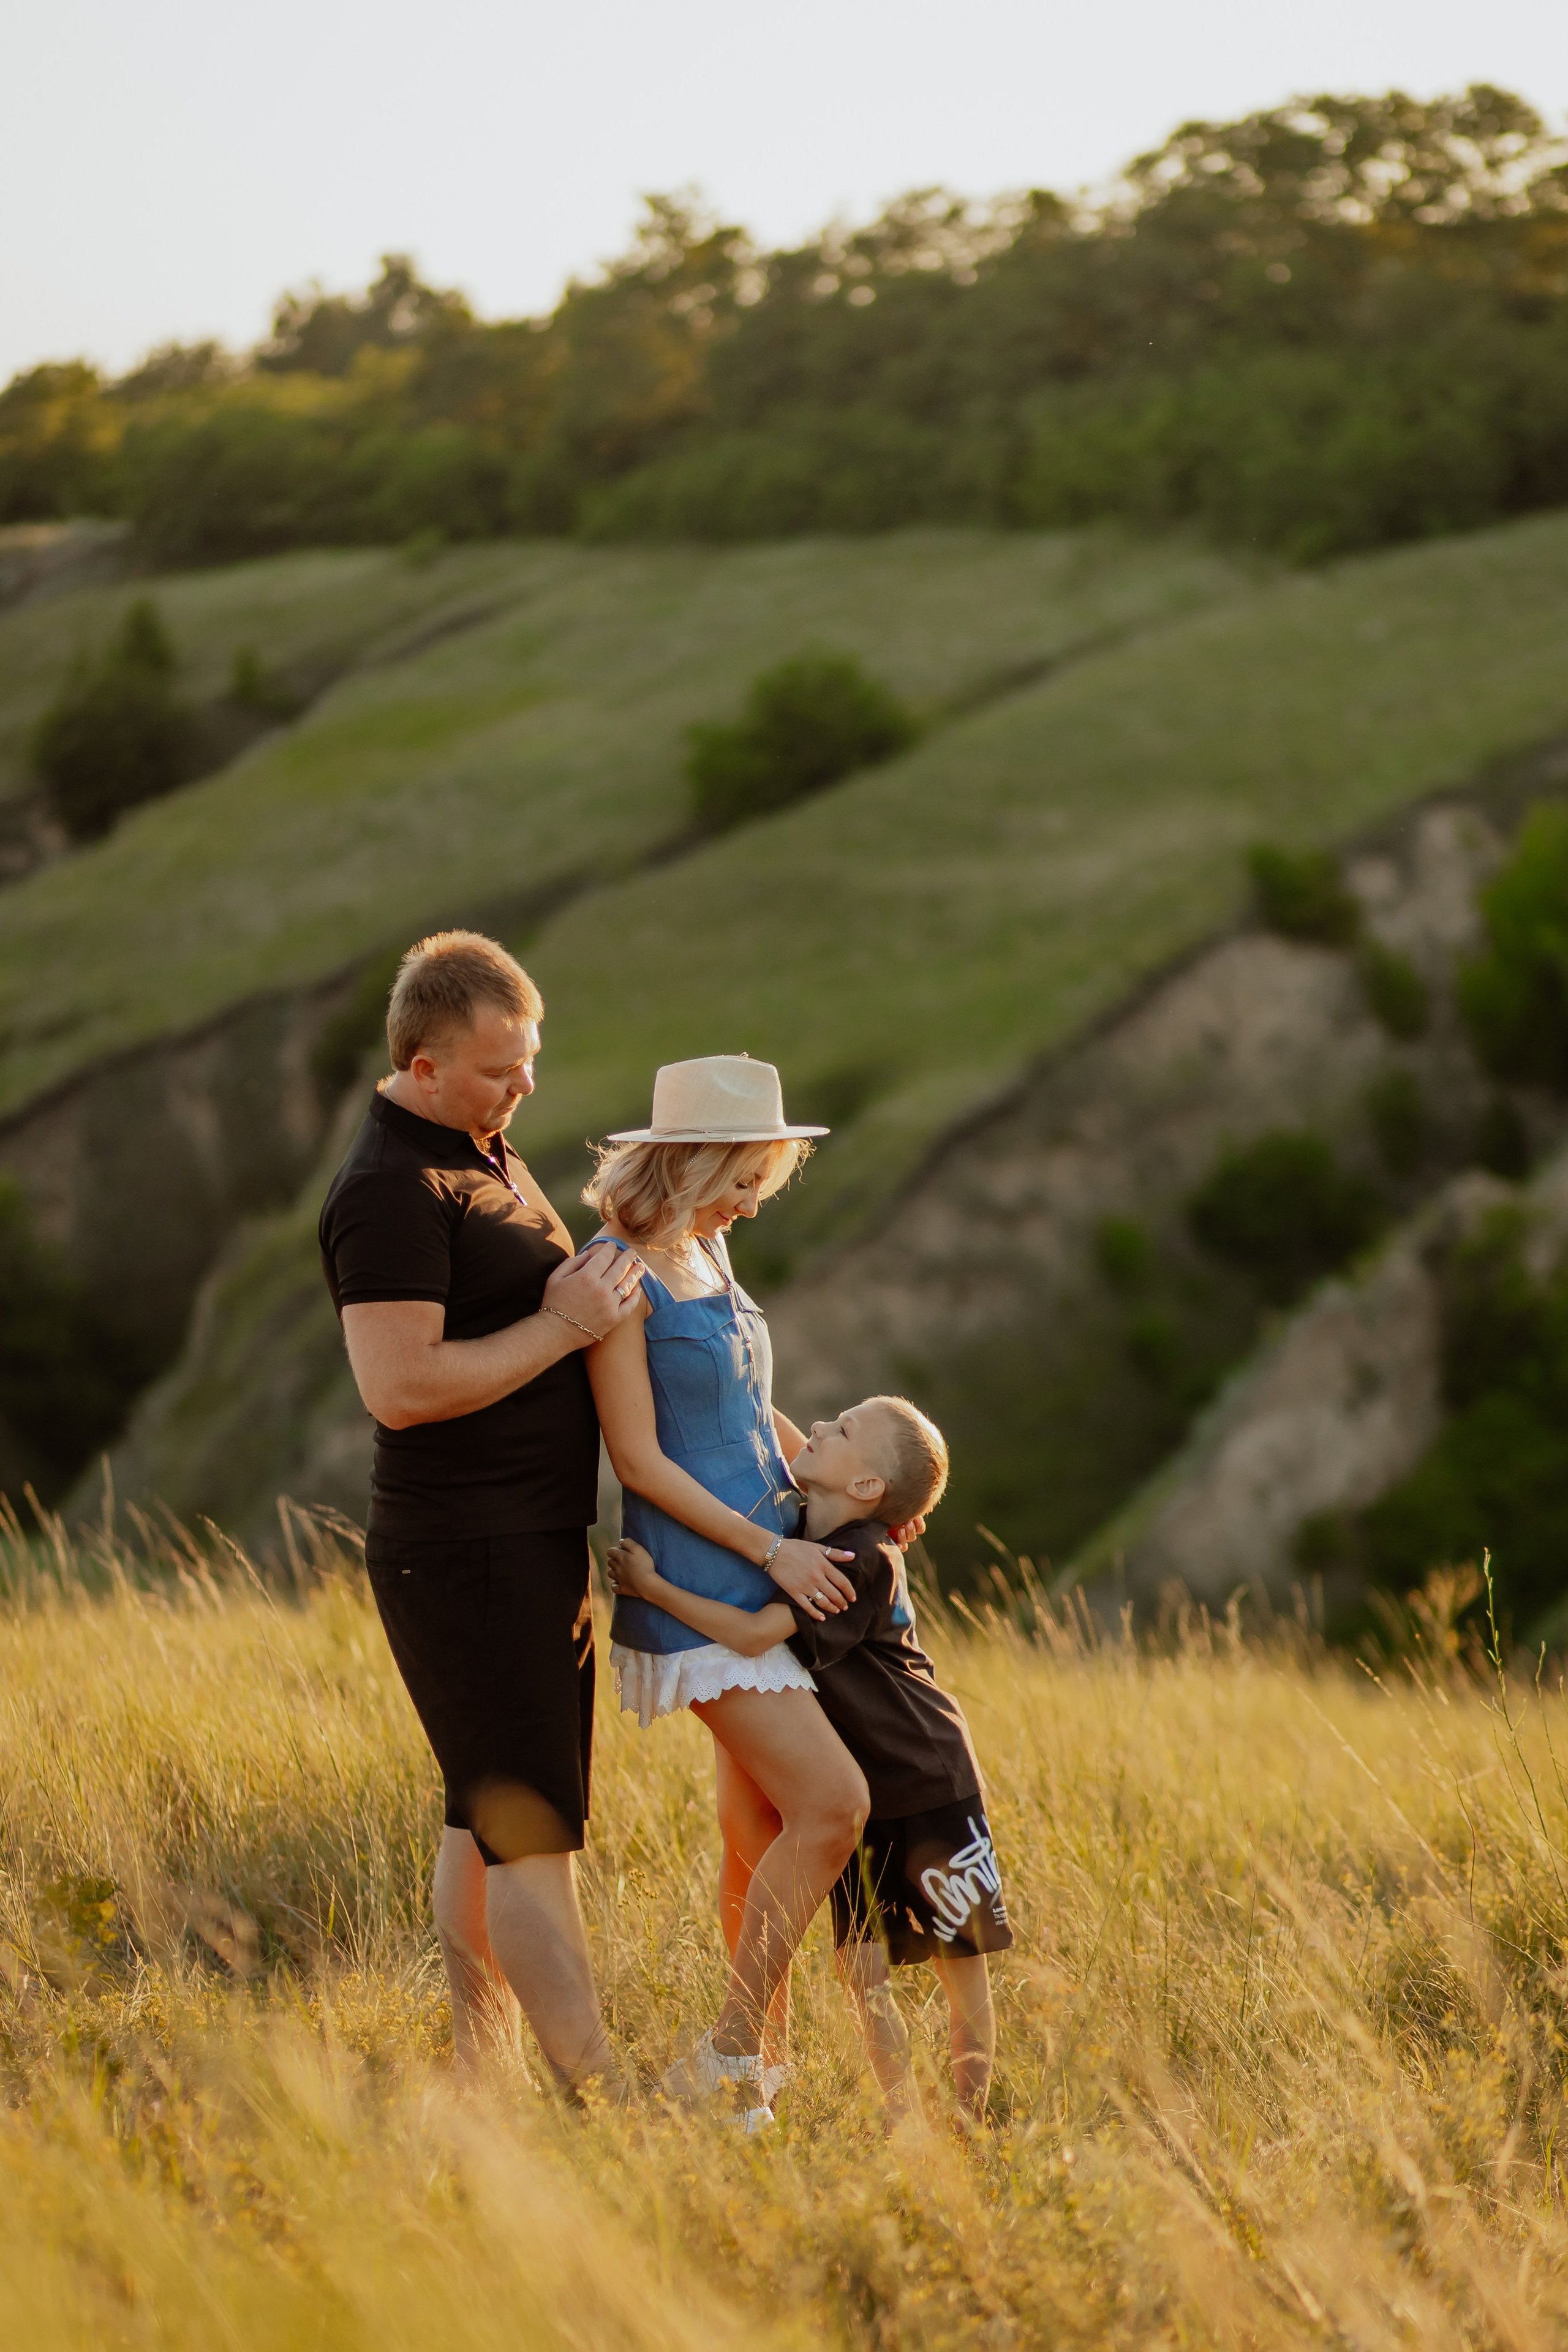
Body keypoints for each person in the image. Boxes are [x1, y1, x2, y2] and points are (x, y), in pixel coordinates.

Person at [317, 930, 647, 2095]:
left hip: (526, 1540)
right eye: (502, 1069)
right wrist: (562, 1328)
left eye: (532, 1060)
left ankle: (483, 2076)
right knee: (530, 1833)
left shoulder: (480, 1149)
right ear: (423, 1066)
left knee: (485, 1814)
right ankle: (599, 2092)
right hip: (468, 1549)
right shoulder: (389, 1189)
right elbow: (400, 1388)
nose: (527, 1086)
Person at [581, 1055, 870, 2123]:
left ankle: (755, 2082)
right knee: (833, 1807)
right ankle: (728, 2051)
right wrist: (769, 1552)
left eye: (762, 1184)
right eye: (743, 1180)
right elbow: (640, 1461)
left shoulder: (707, 1246)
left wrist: (850, 1503)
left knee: (756, 1831)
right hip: (705, 1581)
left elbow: (751, 1410)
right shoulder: (617, 1272)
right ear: (692, 1162)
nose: (752, 1204)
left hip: (775, 1555)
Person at [607, 1393, 1012, 2126]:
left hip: (928, 1779)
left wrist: (653, 1589)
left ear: (866, 1486)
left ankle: (970, 2123)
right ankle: (903, 2123)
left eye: (842, 1428)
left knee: (962, 1962)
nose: (818, 1428)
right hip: (861, 1794)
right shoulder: (802, 1528)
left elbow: (752, 1636)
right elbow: (758, 1418)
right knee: (863, 1974)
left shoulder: (856, 1559)